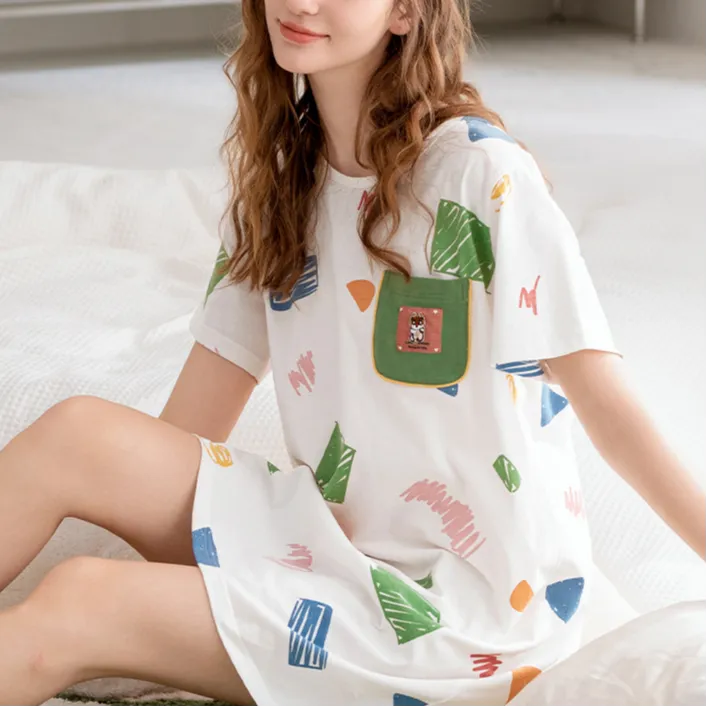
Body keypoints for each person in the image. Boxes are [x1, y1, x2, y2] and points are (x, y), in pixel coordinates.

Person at [0, 0, 704, 705]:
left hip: (462, 620)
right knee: (78, 435)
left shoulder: (481, 174)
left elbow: (610, 413)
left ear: (405, 11)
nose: (301, 4)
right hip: (324, 539)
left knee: (85, 599)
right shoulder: (281, 179)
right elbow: (183, 434)